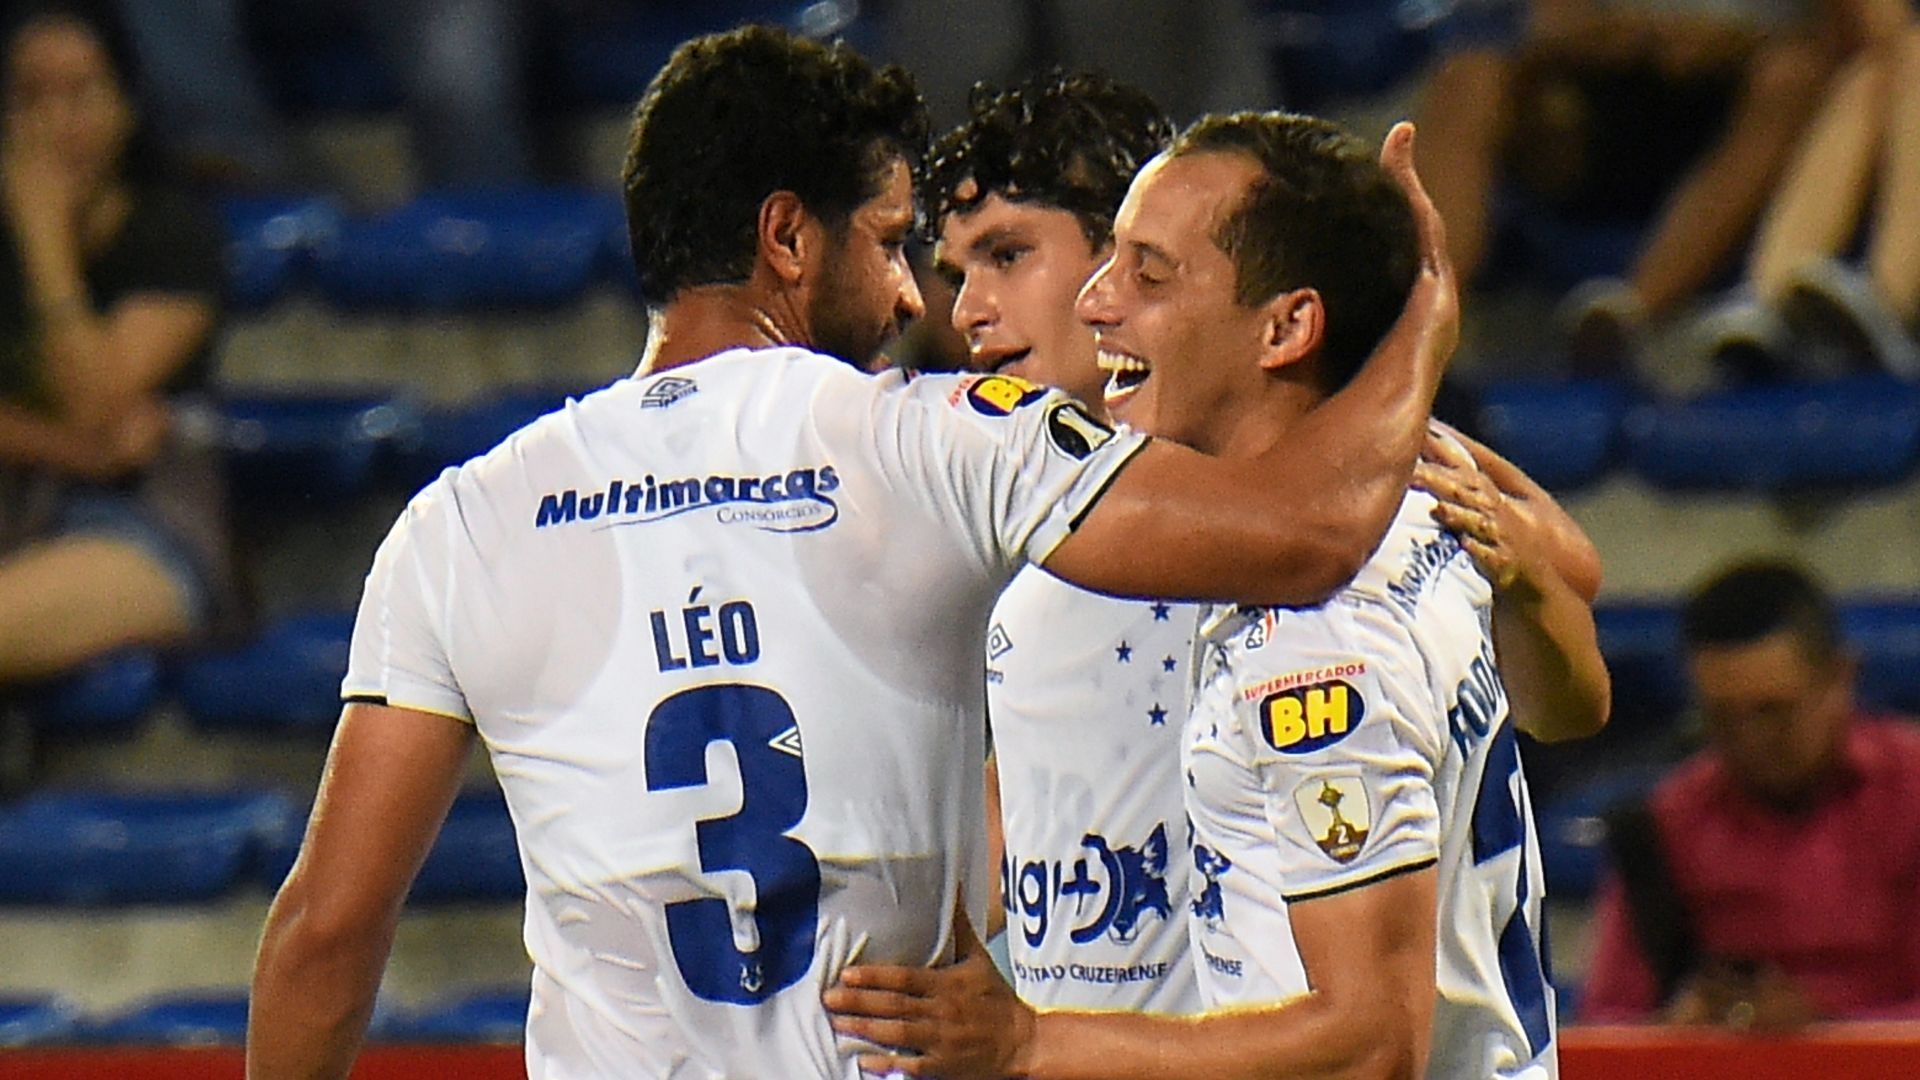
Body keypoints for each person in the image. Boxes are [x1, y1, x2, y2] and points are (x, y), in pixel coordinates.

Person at [246, 26, 1462, 1080]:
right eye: (887, 241)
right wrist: (1416, 316)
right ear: (788, 236)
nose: (905, 300)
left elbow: (328, 932)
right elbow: (1308, 536)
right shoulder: (933, 441)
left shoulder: (462, 523)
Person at [827, 111, 1610, 1079]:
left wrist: (1028, 1042)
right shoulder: (1408, 511)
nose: (1097, 303)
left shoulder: (1309, 620)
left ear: (1285, 326)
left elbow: (1371, 1044)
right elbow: (1579, 694)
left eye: (1146, 273)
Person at [0, 3, 227, 708]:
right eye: (30, 97)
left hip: (142, 518)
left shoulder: (173, 236)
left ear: (127, 106)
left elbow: (96, 406)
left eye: (80, 93)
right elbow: (97, 441)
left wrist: (44, 241)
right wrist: (73, 452)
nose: (54, 123)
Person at [1581, 559, 1920, 1029]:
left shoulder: (1911, 798)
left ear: (1841, 678)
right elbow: (1606, 1023)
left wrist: (1827, 1030)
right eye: (1723, 718)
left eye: (1775, 712)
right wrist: (1676, 1031)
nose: (1751, 740)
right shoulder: (1663, 826)